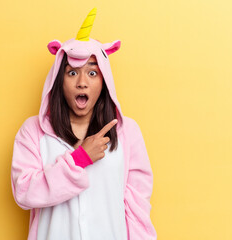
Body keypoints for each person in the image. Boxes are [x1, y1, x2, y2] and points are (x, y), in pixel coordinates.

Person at [11, 7, 157, 240]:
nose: (82, 83)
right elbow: (25, 193)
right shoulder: (33, 131)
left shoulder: (127, 132)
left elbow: (137, 208)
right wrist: (80, 159)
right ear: (58, 81)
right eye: (72, 73)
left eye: (92, 73)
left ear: (104, 79)